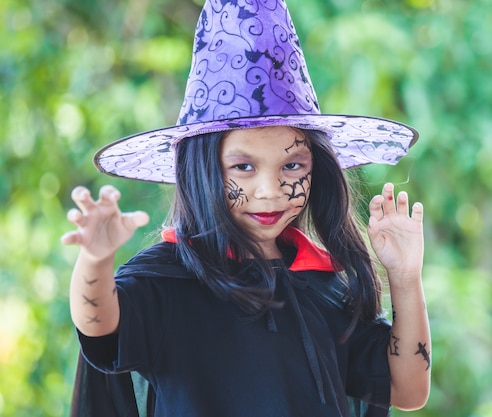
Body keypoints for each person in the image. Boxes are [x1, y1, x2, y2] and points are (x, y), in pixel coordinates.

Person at [62, 1, 430, 416]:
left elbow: (408, 389)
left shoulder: (326, 287)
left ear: (318, 169)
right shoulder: (164, 280)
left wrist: (405, 277)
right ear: (202, 170)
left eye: (292, 165)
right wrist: (95, 261)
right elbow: (99, 332)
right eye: (243, 167)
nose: (269, 191)